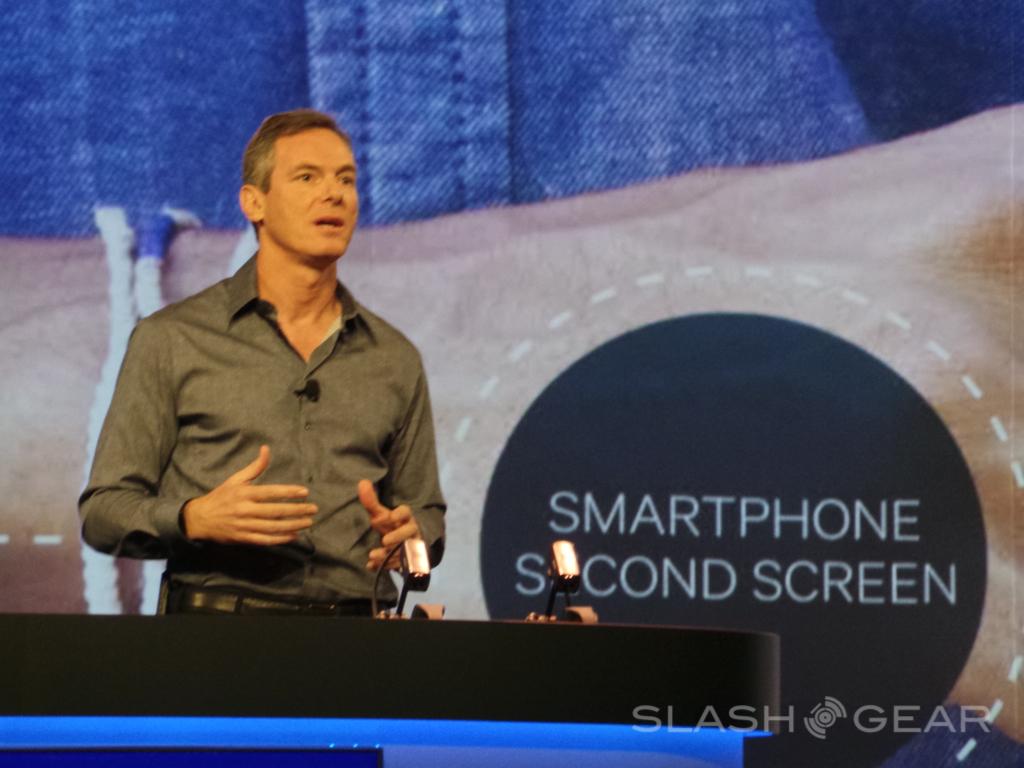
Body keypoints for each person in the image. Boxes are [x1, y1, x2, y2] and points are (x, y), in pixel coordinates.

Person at [78, 109, 446, 615]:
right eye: (307, 178)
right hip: (216, 637)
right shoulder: (172, 339)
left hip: (358, 639)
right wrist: (193, 518)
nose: (334, 194)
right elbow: (103, 512)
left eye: (346, 179)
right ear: (254, 202)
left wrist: (413, 533)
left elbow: (426, 512)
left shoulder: (393, 357)